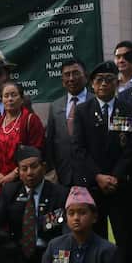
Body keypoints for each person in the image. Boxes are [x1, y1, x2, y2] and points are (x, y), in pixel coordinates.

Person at [72, 61, 132, 263]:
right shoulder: (82, 111)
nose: (104, 84)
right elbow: (79, 149)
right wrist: (98, 176)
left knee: (125, 233)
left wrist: (115, 176)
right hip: (93, 186)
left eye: (109, 79)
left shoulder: (129, 109)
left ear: (117, 82)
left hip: (121, 184)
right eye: (99, 80)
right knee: (96, 233)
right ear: (92, 84)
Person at [0, 146, 68, 263]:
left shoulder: (59, 194)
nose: (29, 173)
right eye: (24, 169)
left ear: (44, 167)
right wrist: (8, 248)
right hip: (17, 254)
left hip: (49, 253)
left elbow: (64, 231)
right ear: (18, 172)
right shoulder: (10, 192)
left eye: (34, 167)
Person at [0, 82, 45, 197]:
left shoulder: (31, 120)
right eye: (6, 96)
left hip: (22, 182)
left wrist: (13, 175)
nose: (10, 99)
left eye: (13, 95)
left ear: (21, 99)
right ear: (2, 100)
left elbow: (36, 149)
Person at [45, 58, 90, 186]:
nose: (71, 78)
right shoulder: (55, 106)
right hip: (63, 174)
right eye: (66, 75)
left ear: (85, 76)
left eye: (75, 73)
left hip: (91, 173)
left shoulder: (95, 102)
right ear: (62, 81)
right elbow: (50, 141)